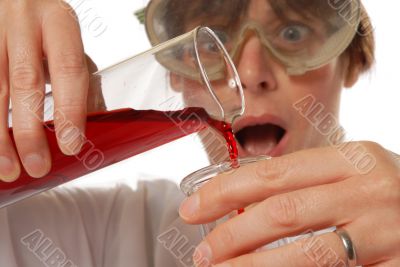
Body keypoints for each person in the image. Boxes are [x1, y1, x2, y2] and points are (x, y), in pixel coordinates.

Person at [0, 0, 399, 266]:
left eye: (292, 34)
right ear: (175, 72)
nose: (249, 74)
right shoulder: (108, 232)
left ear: (351, 62)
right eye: (215, 43)